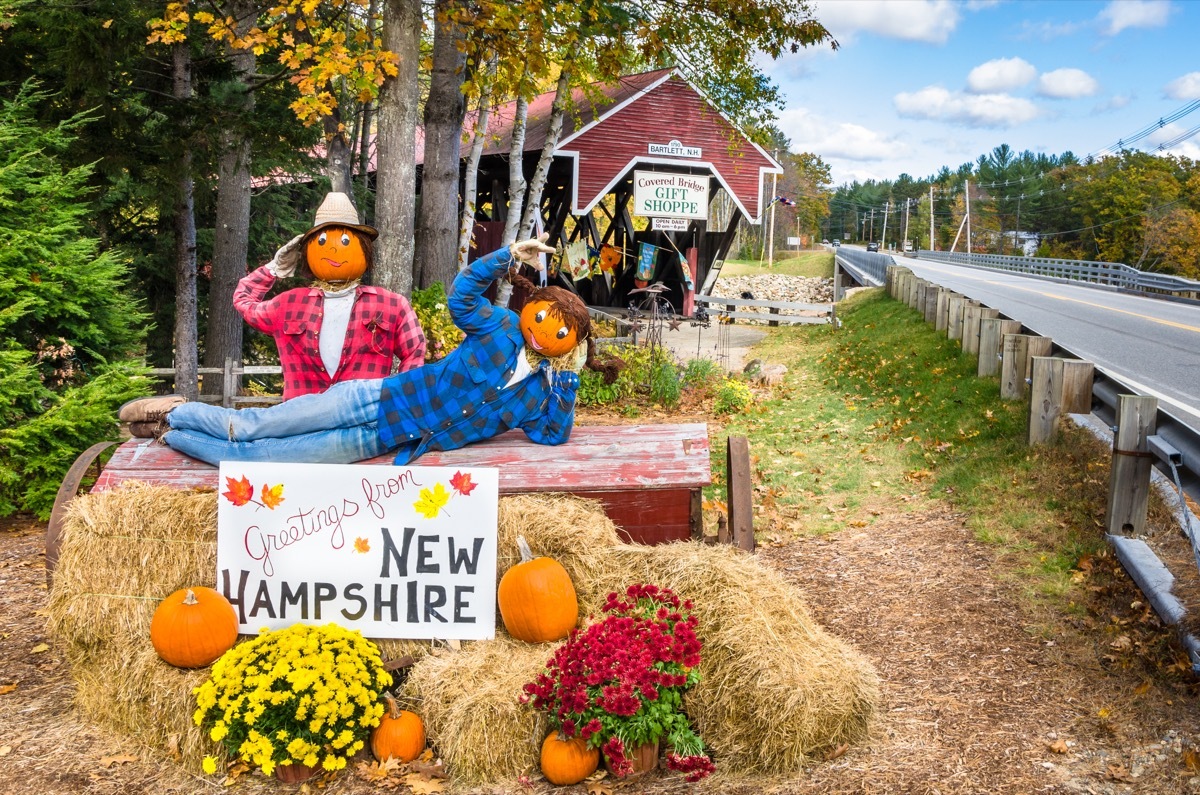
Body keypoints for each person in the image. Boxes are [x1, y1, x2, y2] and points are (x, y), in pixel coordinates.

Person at [120, 238, 623, 466]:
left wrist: (568, 376)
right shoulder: (499, 327)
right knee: (253, 427)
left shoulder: (539, 395)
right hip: (367, 398)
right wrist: (506, 256)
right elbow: (462, 295)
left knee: (263, 460)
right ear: (530, 308)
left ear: (572, 345)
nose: (541, 334)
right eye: (541, 319)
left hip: (382, 440)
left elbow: (553, 435)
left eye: (559, 336)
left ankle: (170, 435)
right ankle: (180, 410)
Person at [233, 192, 426, 400]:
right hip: (301, 424)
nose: (333, 248)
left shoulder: (391, 305)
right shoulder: (288, 304)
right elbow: (243, 301)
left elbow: (414, 352)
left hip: (362, 424)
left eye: (345, 241)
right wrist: (273, 269)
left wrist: (398, 401)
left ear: (364, 249)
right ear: (308, 251)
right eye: (322, 241)